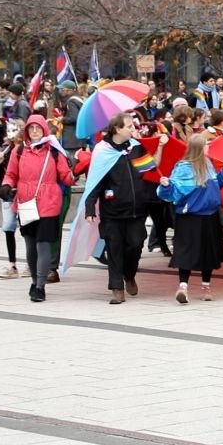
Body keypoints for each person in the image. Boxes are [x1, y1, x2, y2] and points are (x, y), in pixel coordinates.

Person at [0, 115, 74, 302]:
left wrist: (76, 167)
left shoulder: (54, 151)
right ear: (26, 131)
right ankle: (34, 281)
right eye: (31, 128)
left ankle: (40, 286)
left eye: (38, 128)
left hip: (49, 202)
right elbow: (11, 174)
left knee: (43, 244)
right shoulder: (18, 151)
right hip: (26, 202)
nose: (34, 131)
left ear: (44, 130)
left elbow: (67, 177)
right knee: (31, 245)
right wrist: (6, 185)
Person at [84, 113, 150, 304]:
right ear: (117, 129)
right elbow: (95, 180)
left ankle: (129, 274)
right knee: (114, 248)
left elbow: (149, 169)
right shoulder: (102, 151)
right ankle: (117, 288)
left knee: (135, 244)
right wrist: (90, 207)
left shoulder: (136, 147)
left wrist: (160, 148)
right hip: (112, 210)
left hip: (136, 209)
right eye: (129, 126)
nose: (133, 129)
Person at [158, 133, 223, 303]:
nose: (208, 147)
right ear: (199, 147)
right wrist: (166, 186)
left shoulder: (208, 164)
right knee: (186, 251)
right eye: (206, 144)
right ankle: (183, 286)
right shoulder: (183, 168)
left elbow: (214, 186)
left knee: (208, 251)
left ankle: (205, 285)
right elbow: (174, 191)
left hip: (209, 215)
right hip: (189, 216)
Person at [0, 120, 26, 278]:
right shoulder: (5, 149)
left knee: (27, 229)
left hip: (24, 193)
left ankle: (30, 264)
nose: (12, 134)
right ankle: (12, 265)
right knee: (8, 228)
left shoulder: (26, 149)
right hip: (8, 194)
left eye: (15, 130)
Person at [58, 80, 85, 163]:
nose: (61, 91)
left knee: (72, 163)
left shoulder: (71, 101)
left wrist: (62, 119)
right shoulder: (79, 99)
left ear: (69, 91)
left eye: (63, 89)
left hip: (72, 140)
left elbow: (74, 118)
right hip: (78, 139)